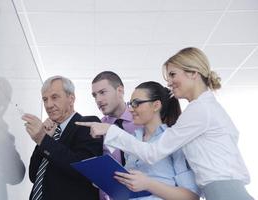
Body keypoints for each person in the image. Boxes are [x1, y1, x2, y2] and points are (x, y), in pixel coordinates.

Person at [76, 47, 254, 200]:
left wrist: (109, 130)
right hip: (219, 191)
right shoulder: (201, 109)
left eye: (173, 74)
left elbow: (153, 153)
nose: (169, 82)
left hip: (225, 191)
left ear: (193, 73)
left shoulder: (200, 110)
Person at [22, 75, 103, 200]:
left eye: (55, 97)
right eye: (45, 99)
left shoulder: (88, 123)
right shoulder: (49, 132)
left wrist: (43, 140)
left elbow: (83, 169)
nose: (48, 105)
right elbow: (34, 176)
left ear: (71, 99)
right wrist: (43, 141)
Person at [92, 71, 140, 200]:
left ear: (120, 90)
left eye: (102, 92)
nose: (98, 100)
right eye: (94, 95)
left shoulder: (142, 120)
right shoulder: (98, 127)